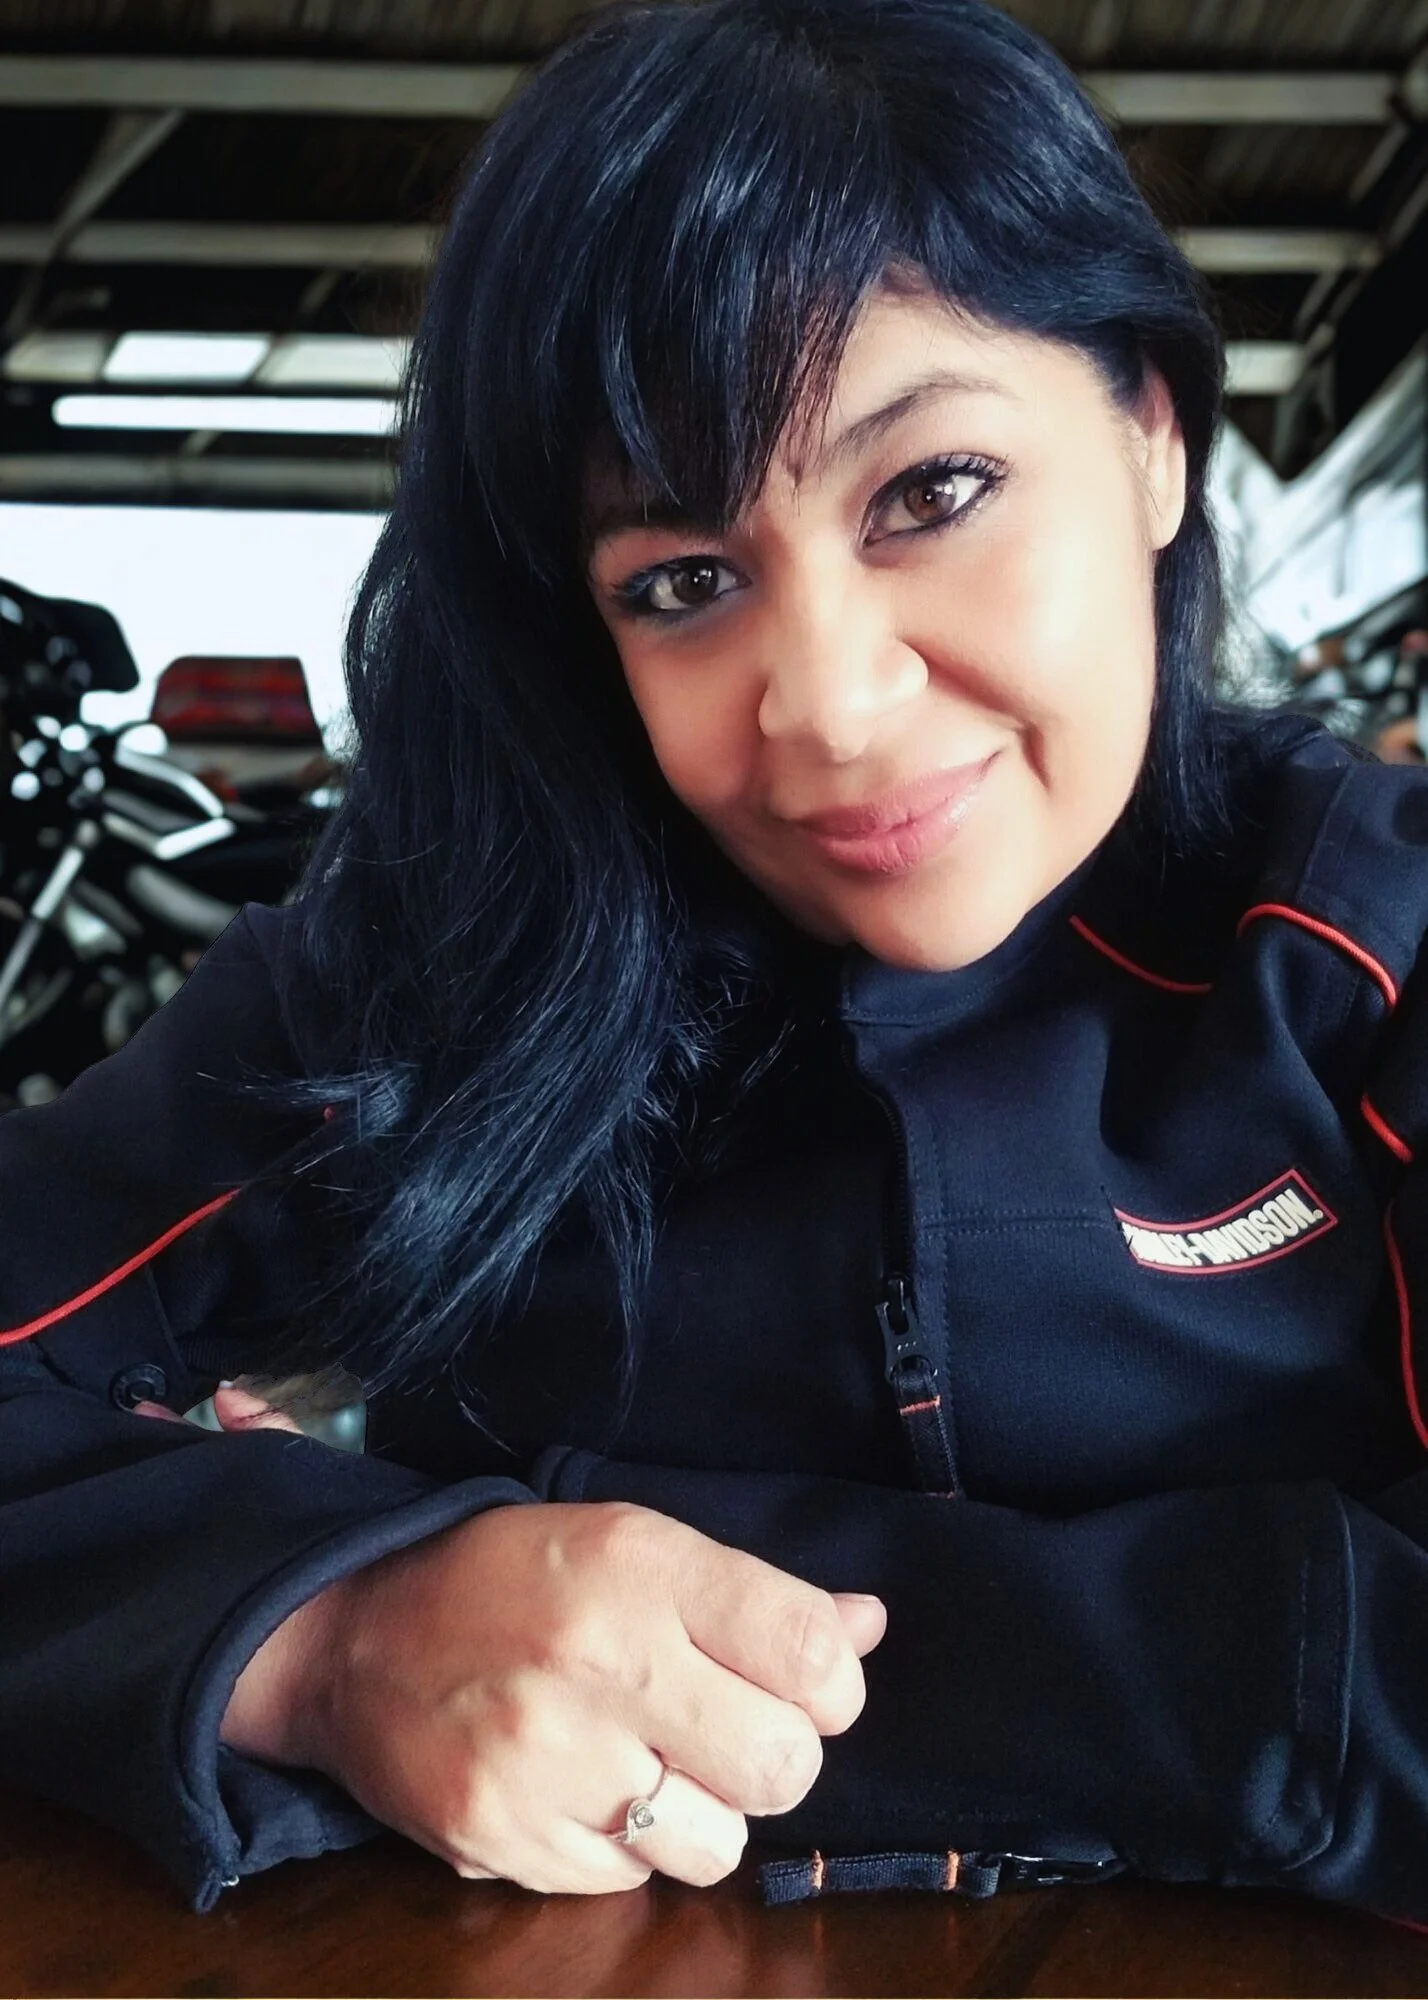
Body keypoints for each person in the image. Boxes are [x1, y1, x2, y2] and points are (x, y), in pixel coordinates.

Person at [4, 0, 1428, 1930]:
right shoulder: (439, 982)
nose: (827, 705)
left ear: (1156, 440)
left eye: (932, 493)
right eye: (682, 579)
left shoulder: (1365, 933)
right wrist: (329, 1635)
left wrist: (1232, 1669)